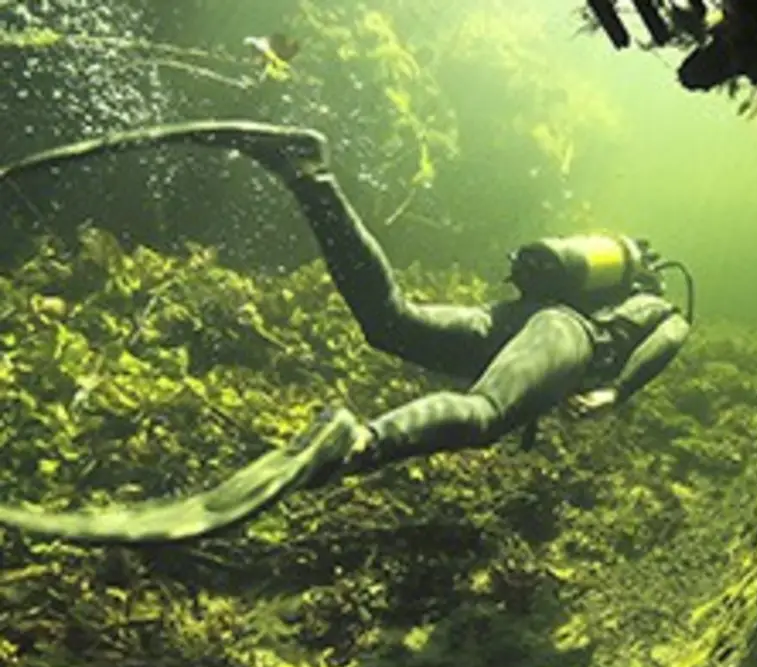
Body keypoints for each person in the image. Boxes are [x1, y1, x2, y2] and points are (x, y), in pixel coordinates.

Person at [0, 121, 692, 542]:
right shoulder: (654, 308)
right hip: (565, 332)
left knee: (390, 322)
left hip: (508, 317)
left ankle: (308, 170)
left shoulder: (600, 276)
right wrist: (618, 393)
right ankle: (359, 441)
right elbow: (672, 338)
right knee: (484, 412)